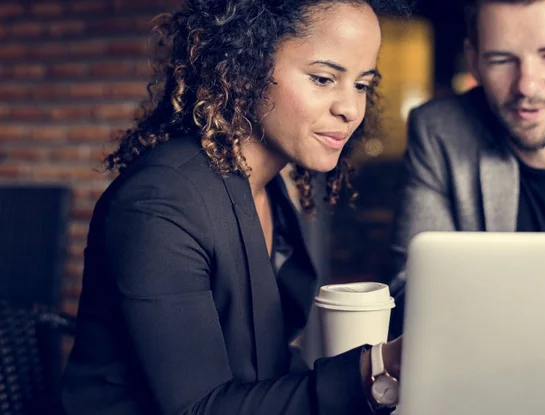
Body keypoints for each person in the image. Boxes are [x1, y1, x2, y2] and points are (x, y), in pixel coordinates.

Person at [60, 0, 409, 414]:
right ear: (246, 67)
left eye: (362, 84)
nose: (350, 109)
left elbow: (268, 375)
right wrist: (378, 369)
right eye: (323, 78)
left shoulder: (268, 191)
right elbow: (198, 408)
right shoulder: (161, 201)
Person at [387, 0, 545, 336]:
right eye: (501, 60)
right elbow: (410, 295)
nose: (527, 86)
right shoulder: (440, 131)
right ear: (474, 61)